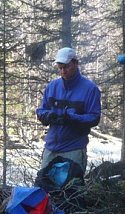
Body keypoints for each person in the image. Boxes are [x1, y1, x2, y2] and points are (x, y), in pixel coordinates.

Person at [36, 47, 101, 176]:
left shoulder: (90, 89)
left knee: (71, 191)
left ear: (75, 63)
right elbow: (41, 110)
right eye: (60, 68)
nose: (63, 71)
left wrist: (72, 118)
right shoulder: (52, 87)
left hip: (74, 149)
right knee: (43, 189)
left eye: (66, 67)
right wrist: (48, 116)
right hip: (51, 148)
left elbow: (94, 117)